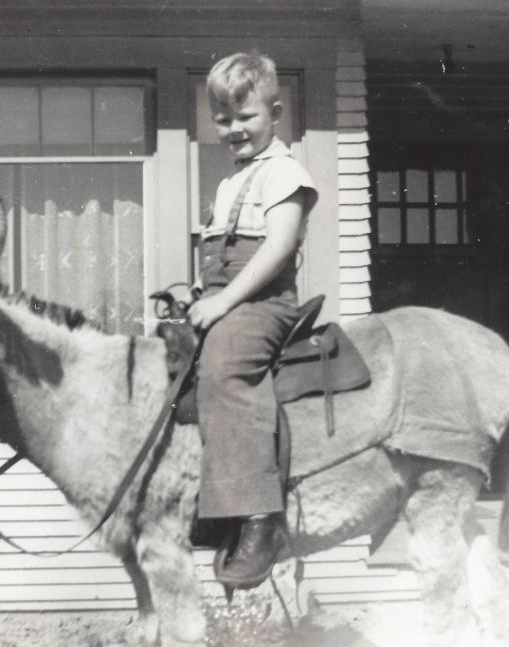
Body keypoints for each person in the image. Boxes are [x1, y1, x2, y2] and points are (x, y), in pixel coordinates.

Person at [188, 51, 318, 588]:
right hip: (227, 292)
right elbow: (219, 251)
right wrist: (202, 293)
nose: (234, 129)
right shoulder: (229, 183)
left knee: (225, 370)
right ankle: (214, 503)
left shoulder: (285, 172)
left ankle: (261, 518)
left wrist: (222, 303)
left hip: (263, 300)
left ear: (276, 112)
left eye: (247, 116)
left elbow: (278, 248)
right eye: (223, 120)